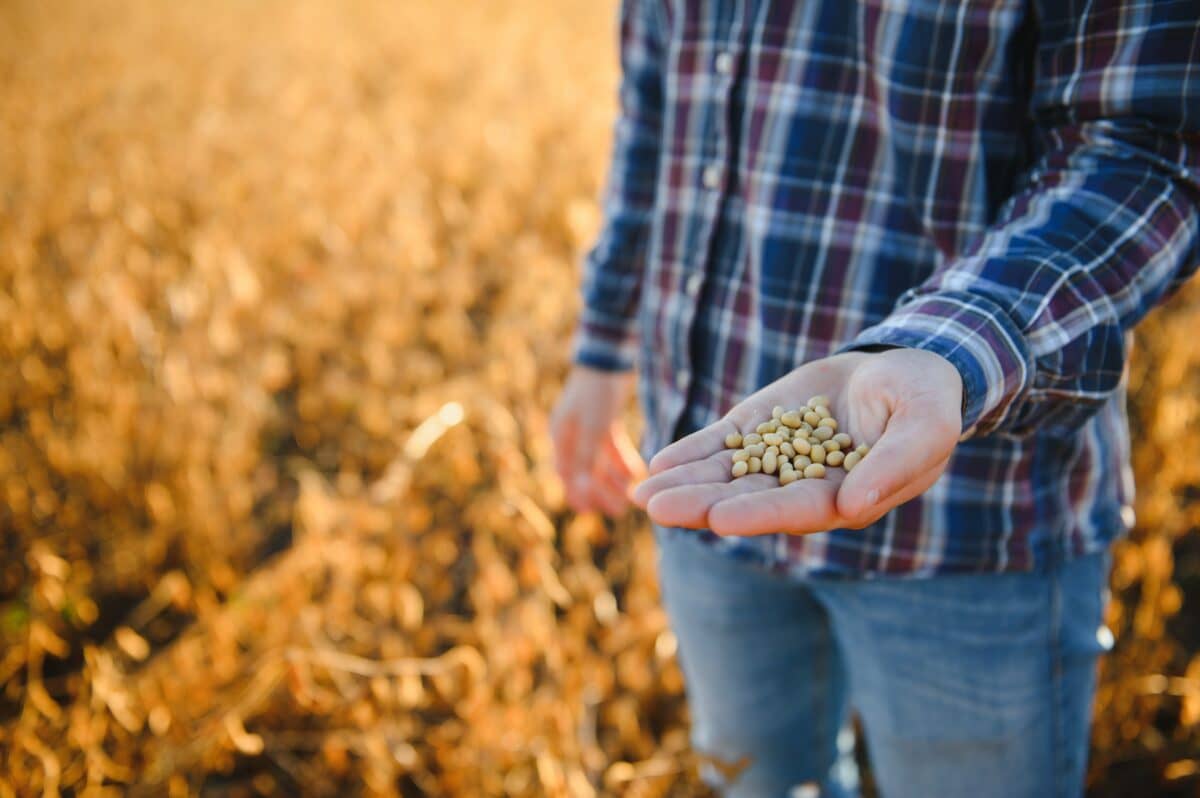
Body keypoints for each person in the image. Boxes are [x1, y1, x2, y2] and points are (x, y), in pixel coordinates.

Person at [550, 2, 1199, 796]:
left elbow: (1147, 151)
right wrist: (603, 342)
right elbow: (653, 109)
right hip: (704, 458)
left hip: (970, 519)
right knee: (753, 781)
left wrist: (946, 348)